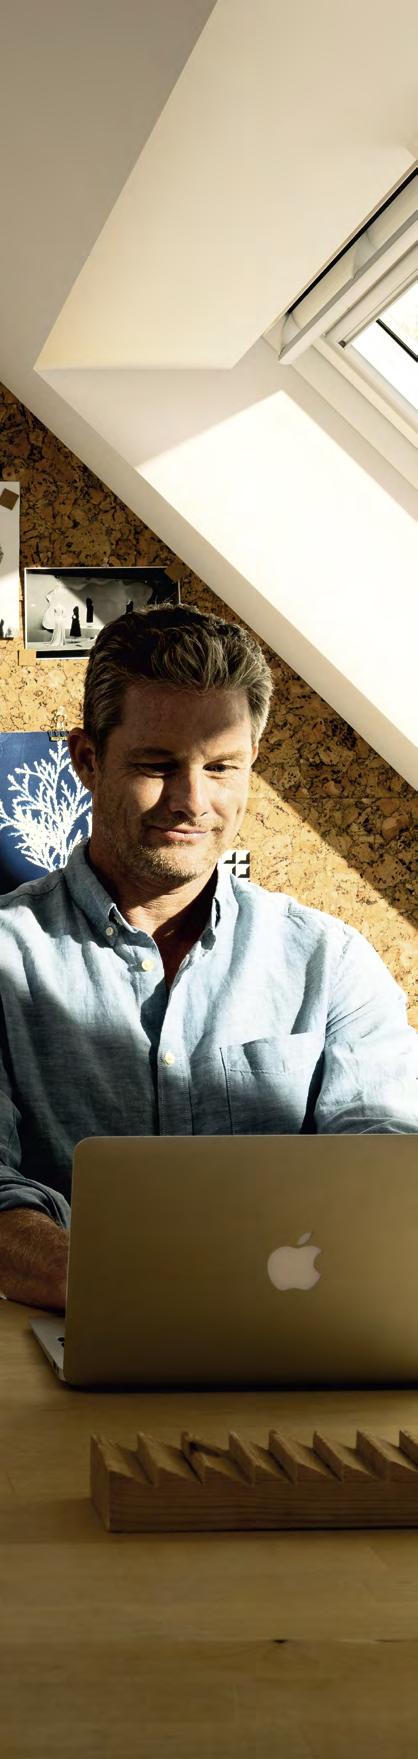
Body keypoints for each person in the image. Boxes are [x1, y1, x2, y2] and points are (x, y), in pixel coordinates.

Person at [0, 602, 417, 1315]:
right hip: (74, 1339)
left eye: (222, 767)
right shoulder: (8, 958)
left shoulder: (331, 963)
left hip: (302, 1336)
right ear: (87, 761)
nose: (193, 801)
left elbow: (391, 1173)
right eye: (158, 765)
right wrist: (137, 1291)